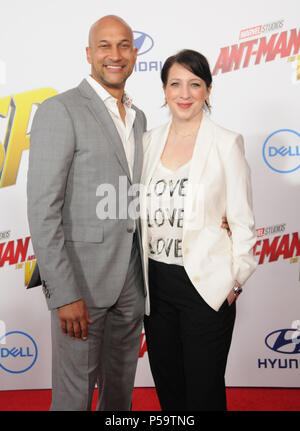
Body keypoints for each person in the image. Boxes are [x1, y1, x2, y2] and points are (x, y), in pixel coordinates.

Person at [27, 15, 147, 411]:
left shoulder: (139, 117)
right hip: (80, 285)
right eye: (104, 46)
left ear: (134, 52)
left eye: (124, 45)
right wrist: (64, 294)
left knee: (120, 397)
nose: (115, 55)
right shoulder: (60, 110)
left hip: (131, 283)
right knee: (73, 399)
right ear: (88, 54)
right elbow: (44, 209)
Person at [141, 49, 257, 411]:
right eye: (175, 84)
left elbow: (241, 219)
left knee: (204, 391)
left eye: (194, 84)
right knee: (168, 386)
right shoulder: (146, 143)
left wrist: (236, 280)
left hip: (206, 284)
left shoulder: (226, 142)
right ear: (164, 91)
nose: (184, 93)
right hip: (154, 283)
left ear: (208, 90)